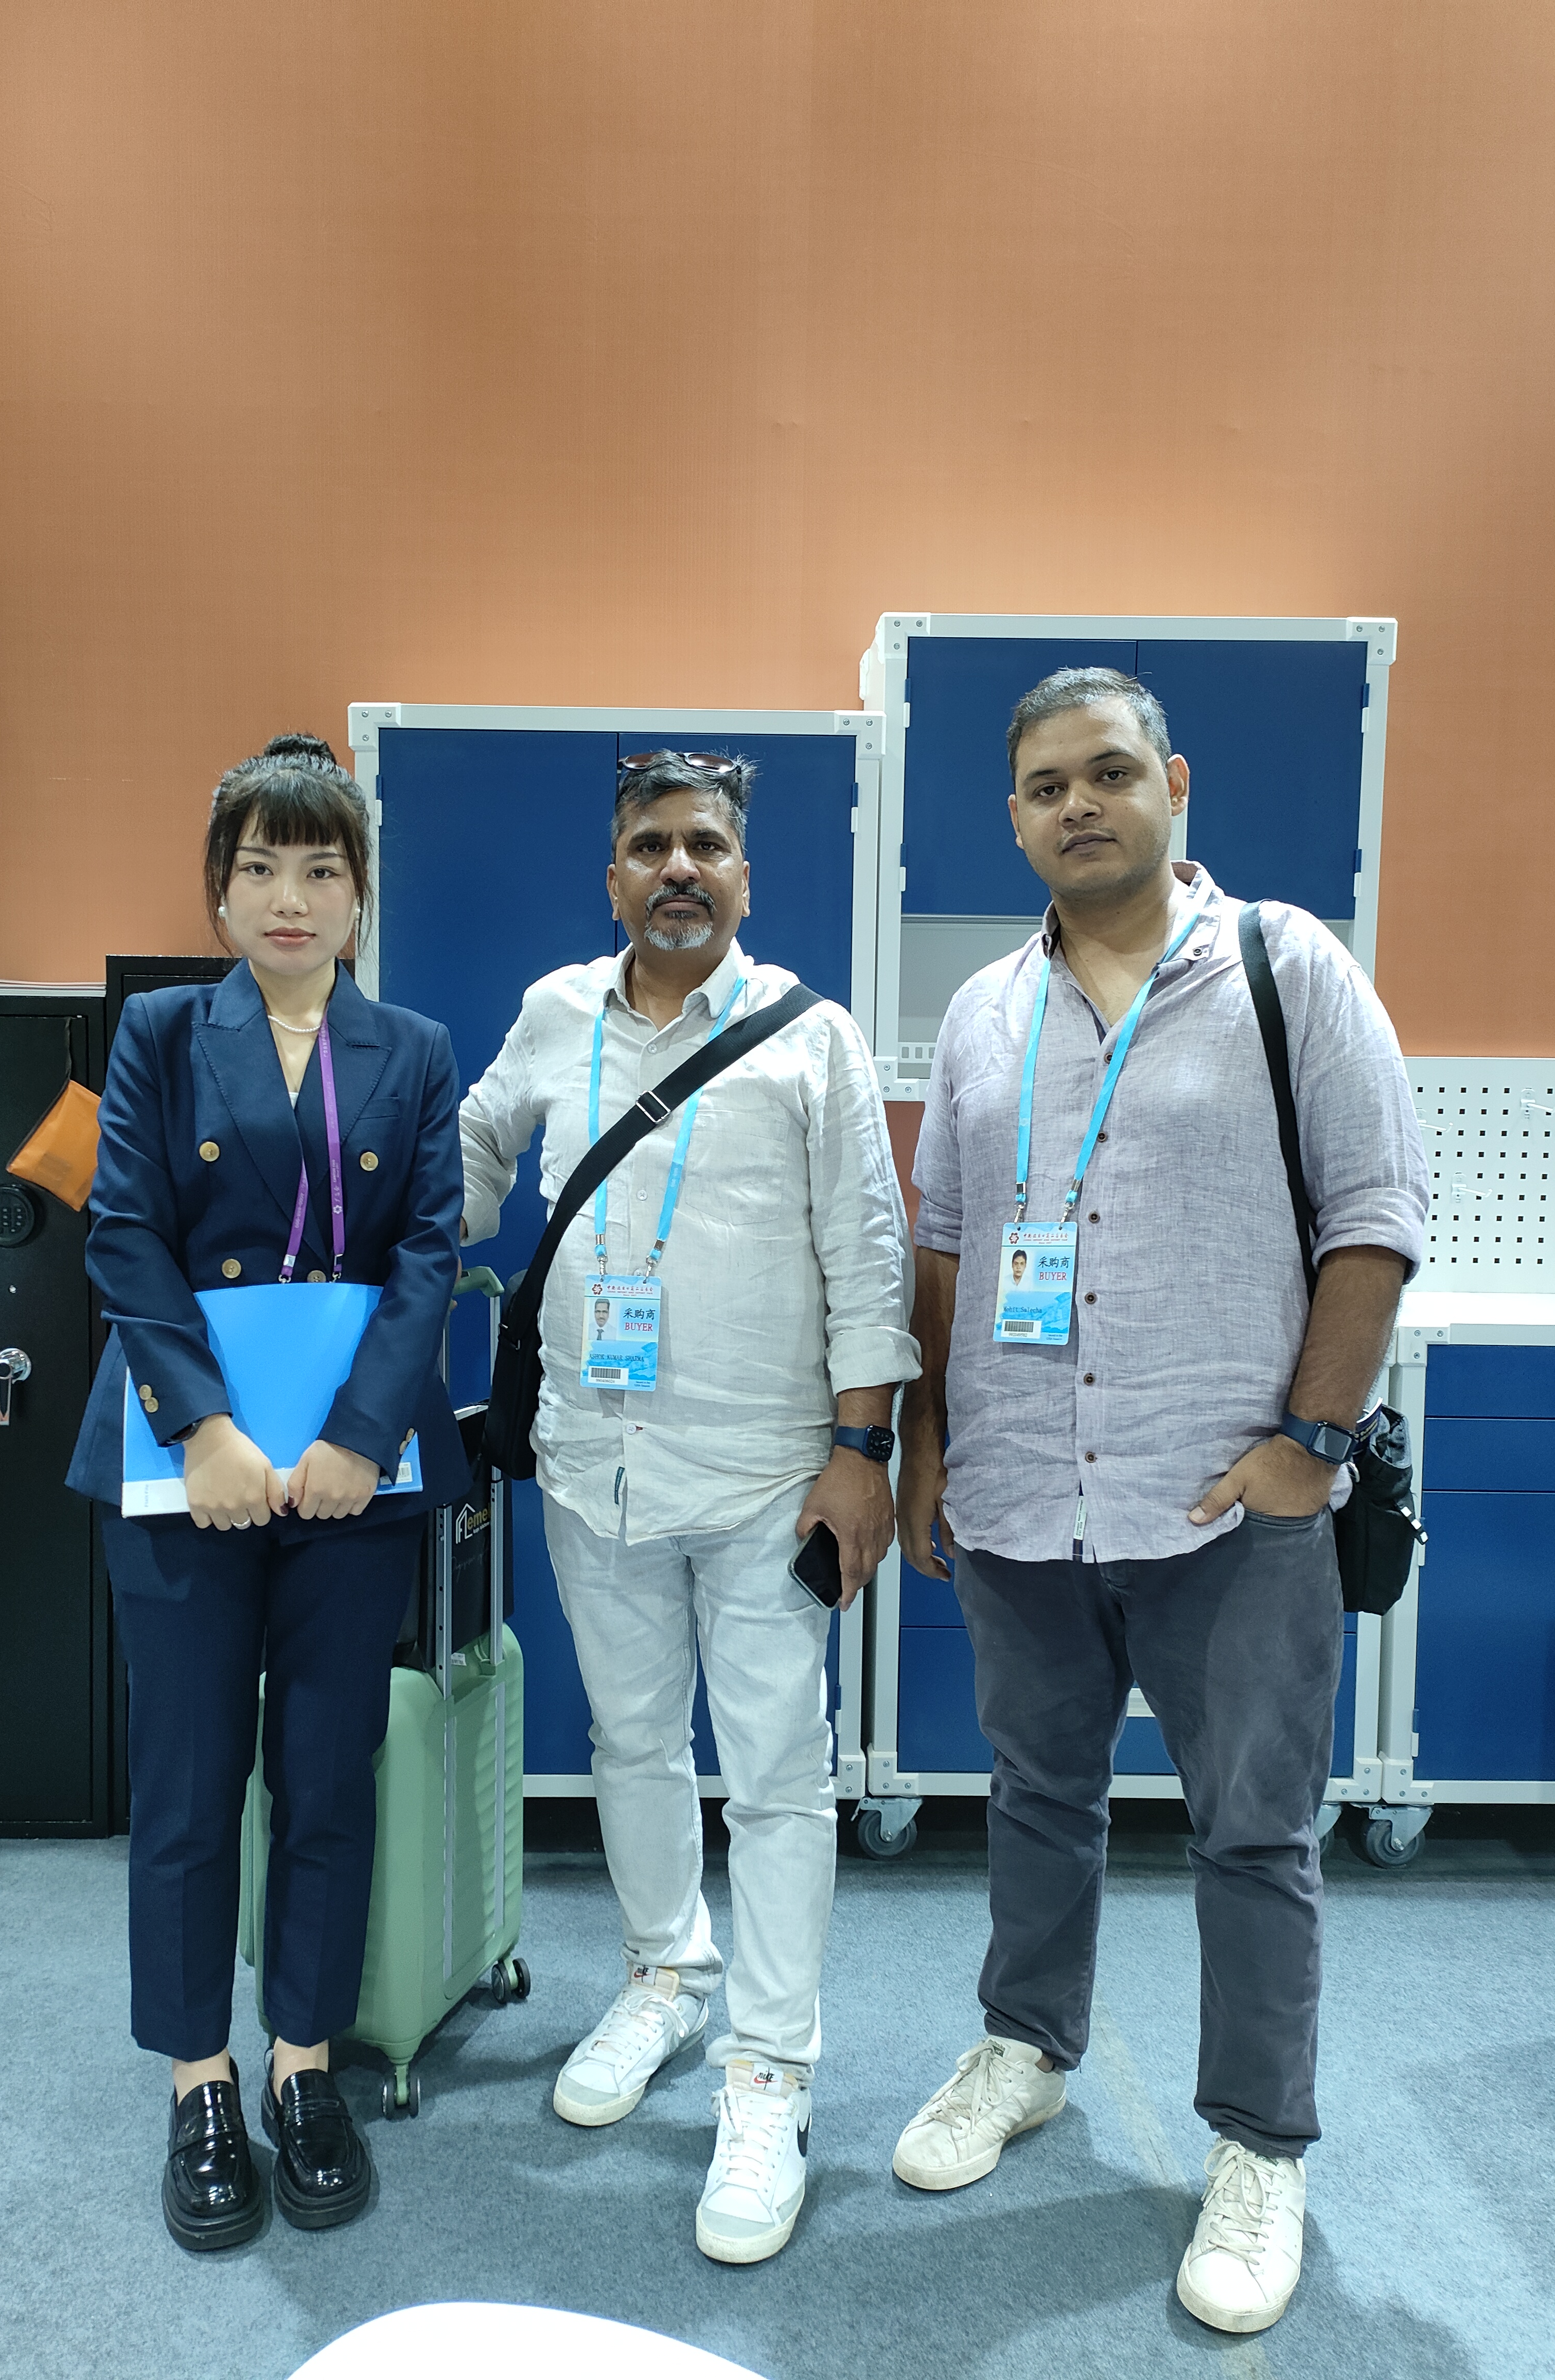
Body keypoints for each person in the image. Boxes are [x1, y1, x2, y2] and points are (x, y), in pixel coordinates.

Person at [892, 669, 1428, 2335]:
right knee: (1033, 1795)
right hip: (1022, 1499)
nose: (1080, 804)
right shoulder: (982, 1012)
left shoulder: (1282, 965)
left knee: (1253, 1834)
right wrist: (927, 1445)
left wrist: (1310, 1445)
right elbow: (944, 1245)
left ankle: (1258, 2145)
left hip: (1225, 1507)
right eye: (1046, 785)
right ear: (1013, 817)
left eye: (1109, 772)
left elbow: (1374, 1218)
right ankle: (1026, 2047)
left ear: (1172, 784)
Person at [460, 749, 917, 2265]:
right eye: (651, 846)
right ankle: (666, 1974)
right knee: (631, 1740)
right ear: (612, 878)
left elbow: (867, 1256)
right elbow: (469, 1163)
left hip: (768, 1476)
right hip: (592, 1465)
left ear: (742, 877)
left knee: (780, 1775)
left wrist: (862, 1452)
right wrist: (348, 1213)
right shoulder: (553, 1014)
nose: (677, 868)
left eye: (705, 846)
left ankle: (769, 2069)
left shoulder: (811, 1038)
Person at [67, 732, 470, 2251]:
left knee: (327, 1774)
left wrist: (363, 1435)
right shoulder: (163, 1032)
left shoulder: (414, 1050)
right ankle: (200, 2079)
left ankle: (305, 2062)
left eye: (320, 869)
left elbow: (427, 1251)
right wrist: (205, 1430)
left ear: (360, 895)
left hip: (351, 1474)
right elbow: (123, 1232)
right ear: (220, 892)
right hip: (189, 1463)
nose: (289, 898)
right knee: (185, 1786)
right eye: (259, 868)